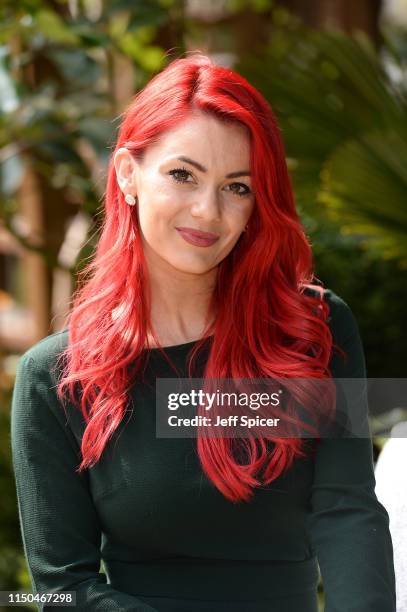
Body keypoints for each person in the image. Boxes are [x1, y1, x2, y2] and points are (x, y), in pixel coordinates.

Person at [10, 53, 396, 611]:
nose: (208, 211)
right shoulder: (56, 378)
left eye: (237, 187)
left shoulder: (313, 331)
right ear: (127, 176)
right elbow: (65, 588)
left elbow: (347, 509)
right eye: (182, 175)